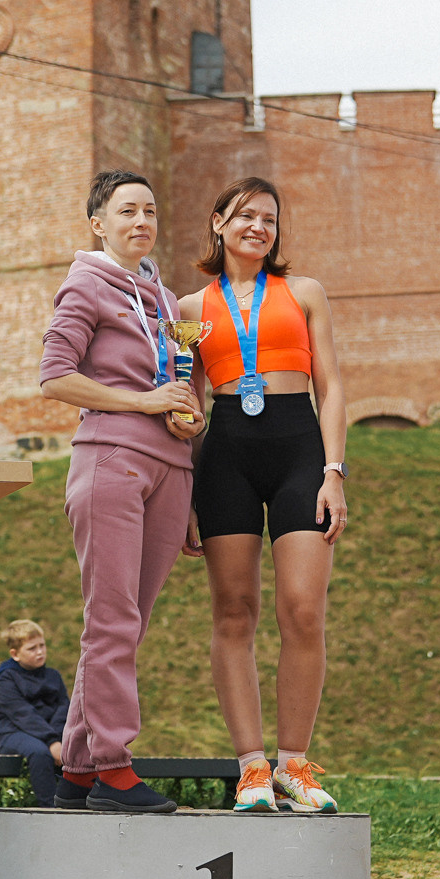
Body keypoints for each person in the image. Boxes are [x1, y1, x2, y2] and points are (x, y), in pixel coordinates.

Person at [179, 178, 349, 814]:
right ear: (218, 222)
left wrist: (334, 470)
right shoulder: (191, 304)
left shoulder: (302, 293)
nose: (259, 227)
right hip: (224, 456)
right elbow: (187, 402)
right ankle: (251, 768)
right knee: (234, 610)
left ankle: (294, 764)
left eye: (270, 219)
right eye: (246, 215)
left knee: (303, 608)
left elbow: (330, 386)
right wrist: (185, 491)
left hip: (298, 450)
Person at [38, 169, 202, 814]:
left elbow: (173, 384)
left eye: (150, 211)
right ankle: (114, 767)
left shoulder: (161, 296)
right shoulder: (86, 284)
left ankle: (77, 771)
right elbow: (55, 377)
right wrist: (140, 401)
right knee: (110, 622)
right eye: (127, 210)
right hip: (110, 460)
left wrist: (188, 419)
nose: (141, 221)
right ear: (98, 223)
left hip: (170, 467)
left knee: (126, 628)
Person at [0, 619, 72, 808]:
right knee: (39, 753)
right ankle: (50, 809)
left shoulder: (53, 676)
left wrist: (59, 738)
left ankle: (75, 803)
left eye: (42, 646)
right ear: (15, 654)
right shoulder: (7, 679)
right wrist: (52, 741)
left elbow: (64, 707)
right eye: (32, 648)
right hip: (13, 733)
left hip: (50, 734)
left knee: (79, 750)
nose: (40, 652)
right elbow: (22, 714)